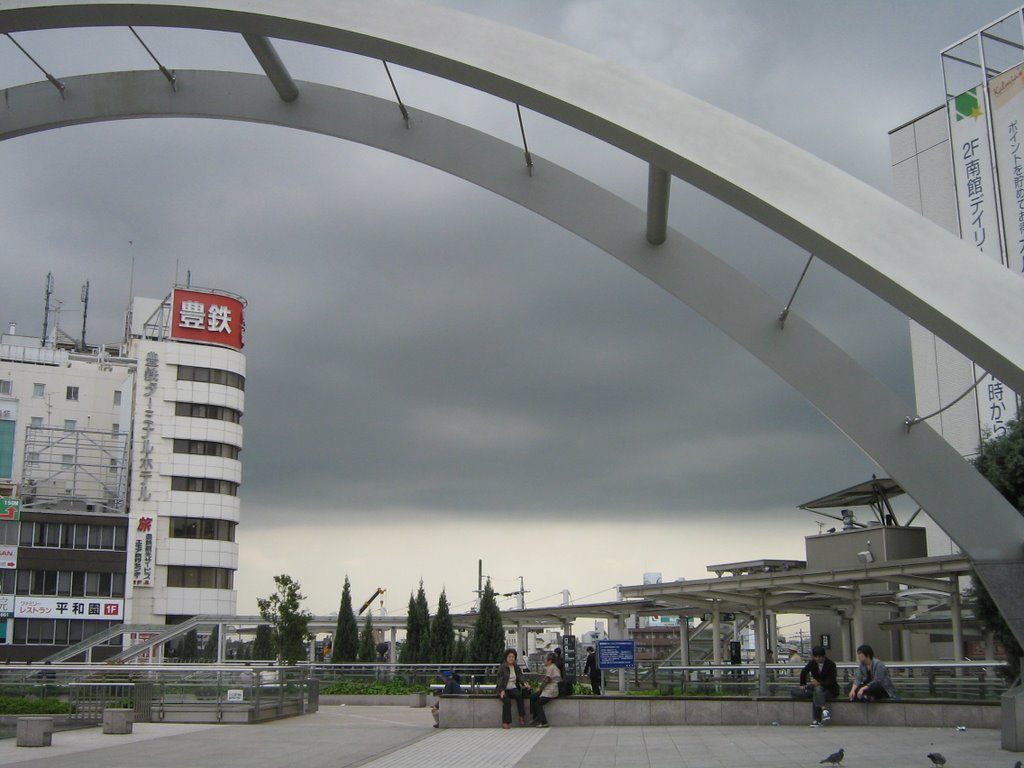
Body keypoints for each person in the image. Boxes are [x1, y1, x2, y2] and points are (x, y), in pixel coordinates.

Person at [791, 645, 838, 726]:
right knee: (796, 691)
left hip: (829, 689)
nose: (817, 659)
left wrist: (819, 683)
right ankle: (823, 709)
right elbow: (804, 672)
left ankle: (817, 720)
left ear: (823, 656)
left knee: (817, 693)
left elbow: (831, 681)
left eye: (819, 657)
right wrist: (803, 683)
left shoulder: (831, 664)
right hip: (815, 688)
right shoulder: (812, 663)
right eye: (816, 657)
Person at [496, 648, 530, 728]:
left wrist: (525, 683)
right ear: (506, 658)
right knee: (507, 702)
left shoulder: (516, 667)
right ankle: (506, 722)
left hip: (513, 687)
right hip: (504, 688)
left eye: (513, 657)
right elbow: (499, 680)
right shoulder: (502, 667)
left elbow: (520, 676)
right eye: (509, 657)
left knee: (519, 696)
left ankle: (521, 716)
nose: (511, 658)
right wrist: (501, 690)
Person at [530, 652, 561, 727]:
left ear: (549, 661)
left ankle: (543, 721)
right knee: (533, 697)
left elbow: (547, 680)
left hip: (551, 690)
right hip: (547, 689)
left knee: (538, 704)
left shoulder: (552, 668)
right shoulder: (551, 667)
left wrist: (540, 689)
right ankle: (535, 717)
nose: (544, 661)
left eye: (545, 659)